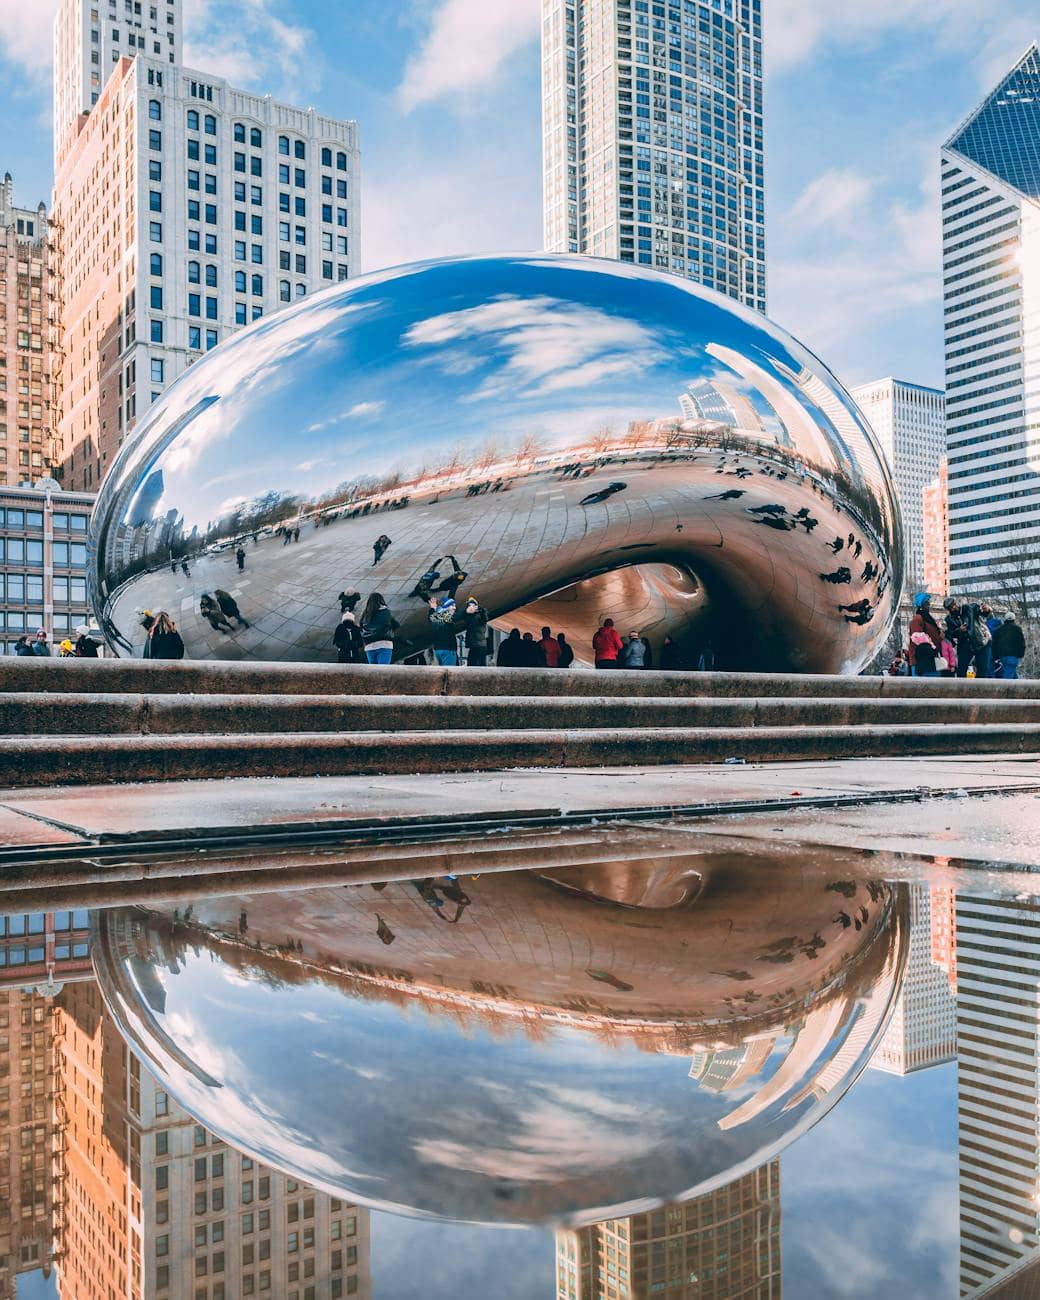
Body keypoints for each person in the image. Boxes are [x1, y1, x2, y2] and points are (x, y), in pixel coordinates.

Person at [908, 593, 943, 676]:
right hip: (921, 661)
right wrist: (935, 643)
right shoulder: (918, 619)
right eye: (927, 603)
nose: (929, 604)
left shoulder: (927, 619)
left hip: (931, 659)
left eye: (928, 602)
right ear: (921, 605)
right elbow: (917, 638)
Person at [943, 598, 973, 678]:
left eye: (954, 605)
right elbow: (951, 633)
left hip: (975, 640)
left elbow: (975, 615)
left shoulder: (966, 608)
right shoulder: (949, 619)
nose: (953, 608)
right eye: (950, 607)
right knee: (961, 670)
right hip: (964, 644)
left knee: (983, 668)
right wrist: (959, 630)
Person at [361, 592, 394, 664]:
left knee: (373, 673)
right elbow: (395, 624)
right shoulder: (385, 611)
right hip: (384, 644)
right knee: (383, 671)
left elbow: (361, 626)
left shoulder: (366, 613)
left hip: (369, 645)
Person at [428, 596, 461, 666]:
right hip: (448, 650)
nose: (454, 608)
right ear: (447, 607)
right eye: (452, 605)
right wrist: (467, 611)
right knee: (449, 673)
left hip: (438, 650)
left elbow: (430, 616)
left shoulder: (435, 616)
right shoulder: (447, 616)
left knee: (442, 673)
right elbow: (459, 615)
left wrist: (433, 608)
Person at [993, 612, 1025, 679]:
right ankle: (1005, 689)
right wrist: (1021, 654)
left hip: (1002, 656)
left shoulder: (998, 630)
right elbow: (1021, 643)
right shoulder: (1017, 629)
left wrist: (995, 656)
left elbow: (994, 644)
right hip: (1013, 655)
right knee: (1008, 676)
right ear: (1014, 619)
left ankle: (1017, 688)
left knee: (1011, 673)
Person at [461, 596, 489, 666]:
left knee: (478, 665)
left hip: (479, 645)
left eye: (472, 605)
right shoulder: (469, 616)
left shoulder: (480, 615)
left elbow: (485, 618)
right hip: (474, 645)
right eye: (469, 606)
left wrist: (481, 610)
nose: (470, 607)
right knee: (472, 664)